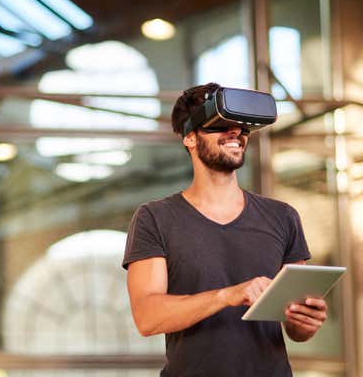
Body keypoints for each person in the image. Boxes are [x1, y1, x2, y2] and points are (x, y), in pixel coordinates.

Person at [122, 82, 328, 376]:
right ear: (190, 138)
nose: (236, 133)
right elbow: (147, 317)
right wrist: (228, 296)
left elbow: (296, 329)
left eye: (242, 128)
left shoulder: (282, 217)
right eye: (221, 125)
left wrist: (304, 320)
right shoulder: (155, 218)